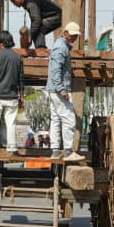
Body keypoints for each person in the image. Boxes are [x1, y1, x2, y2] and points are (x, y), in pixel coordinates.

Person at [44, 22, 82, 162]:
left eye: (75, 36)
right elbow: (55, 70)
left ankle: (55, 151)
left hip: (53, 89)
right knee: (68, 119)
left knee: (55, 120)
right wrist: (62, 89)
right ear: (66, 33)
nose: (74, 38)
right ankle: (68, 151)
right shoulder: (61, 48)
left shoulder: (61, 46)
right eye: (72, 35)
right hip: (58, 89)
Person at [0, 30, 24, 154]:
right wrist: (21, 97)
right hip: (11, 97)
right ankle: (12, 147)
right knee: (11, 123)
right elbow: (21, 79)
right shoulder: (18, 57)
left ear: (1, 43)